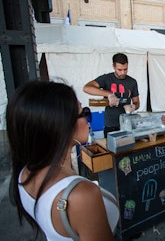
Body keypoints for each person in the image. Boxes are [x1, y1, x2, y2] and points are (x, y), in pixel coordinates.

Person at [7, 80, 119, 240]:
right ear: (63, 127)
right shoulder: (82, 195)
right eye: (83, 113)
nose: (88, 120)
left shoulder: (24, 173)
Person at [83, 53, 140, 137]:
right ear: (114, 67)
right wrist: (109, 94)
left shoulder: (132, 82)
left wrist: (134, 106)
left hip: (127, 124)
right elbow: (87, 88)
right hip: (111, 125)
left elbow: (137, 102)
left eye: (125, 69)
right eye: (119, 70)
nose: (123, 73)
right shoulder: (107, 78)